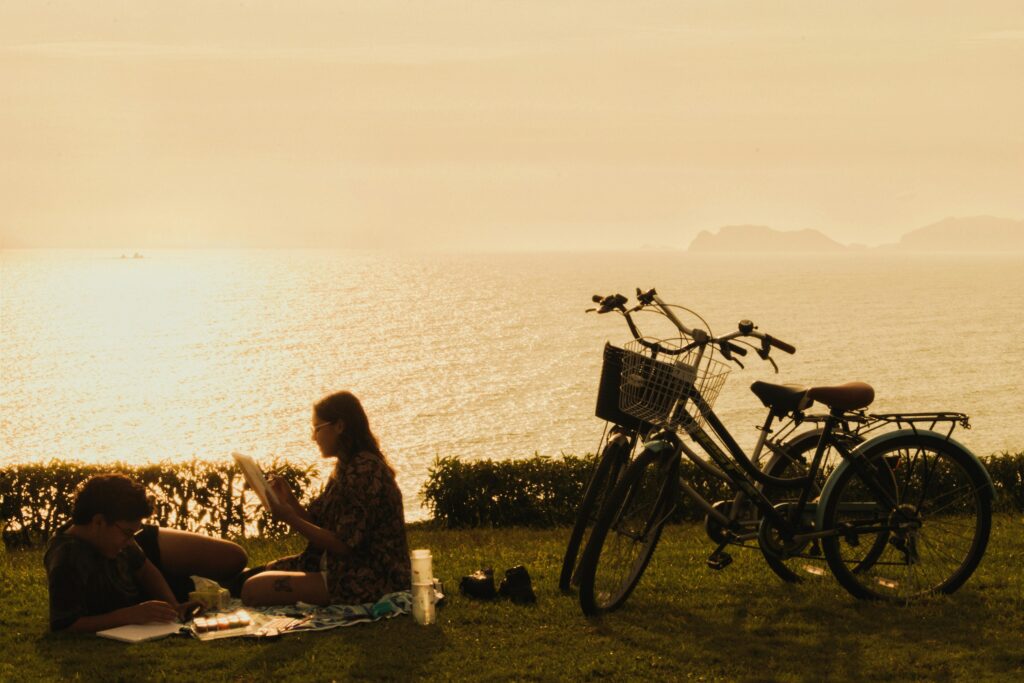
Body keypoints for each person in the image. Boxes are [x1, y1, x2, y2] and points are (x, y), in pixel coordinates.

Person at [240, 391, 411, 606]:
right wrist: (289, 500)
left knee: (253, 589)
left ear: (339, 426)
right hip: (341, 567)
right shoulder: (346, 466)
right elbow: (319, 523)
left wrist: (290, 518)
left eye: (317, 429)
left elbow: (343, 544)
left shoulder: (365, 470)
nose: (314, 437)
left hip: (369, 578)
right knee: (260, 573)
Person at [44, 474, 248, 632]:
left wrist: (174, 606)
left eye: (134, 533)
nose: (130, 540)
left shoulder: (118, 538)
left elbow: (144, 568)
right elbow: (65, 625)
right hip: (132, 589)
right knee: (239, 584)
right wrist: (128, 616)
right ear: (98, 522)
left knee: (233, 557)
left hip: (145, 559)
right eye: (128, 533)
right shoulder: (67, 560)